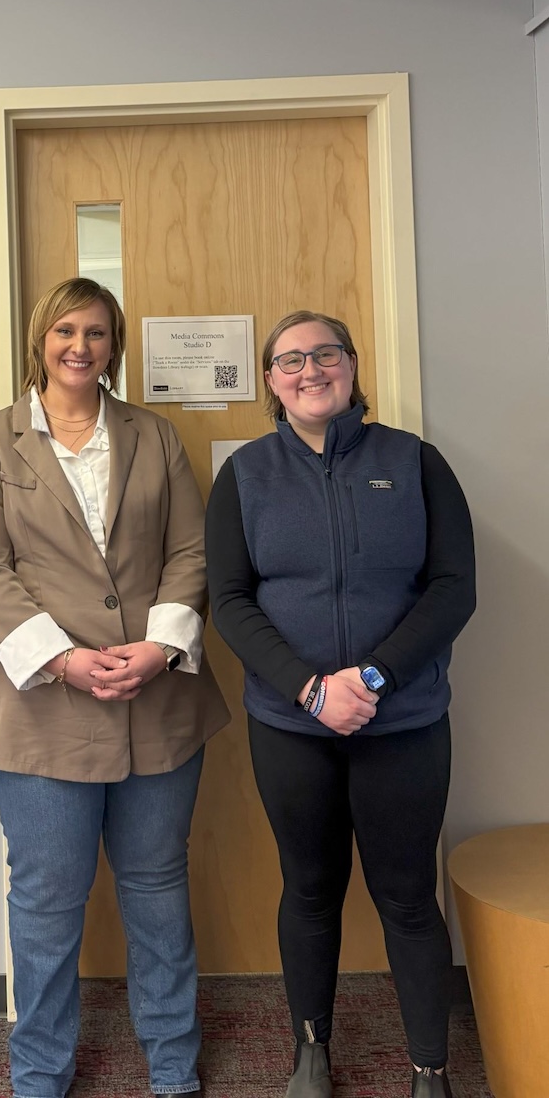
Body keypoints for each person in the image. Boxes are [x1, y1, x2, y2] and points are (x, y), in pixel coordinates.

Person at [0, 277, 229, 1098]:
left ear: (116, 344)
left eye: (98, 332)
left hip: (158, 703)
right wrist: (64, 659)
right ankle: (39, 1073)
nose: (81, 347)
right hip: (41, 711)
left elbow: (191, 551)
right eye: (66, 331)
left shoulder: (156, 435)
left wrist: (159, 647)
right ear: (41, 341)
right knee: (45, 901)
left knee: (157, 889)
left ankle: (173, 1066)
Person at [205, 311, 475, 1098]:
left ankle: (430, 1069)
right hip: (293, 726)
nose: (309, 369)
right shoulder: (246, 476)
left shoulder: (416, 463)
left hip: (405, 723)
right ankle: (311, 1055)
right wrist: (313, 688)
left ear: (353, 366)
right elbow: (229, 600)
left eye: (325, 353)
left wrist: (375, 679)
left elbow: (453, 588)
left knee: (407, 896)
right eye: (289, 359)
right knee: (310, 888)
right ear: (269, 381)